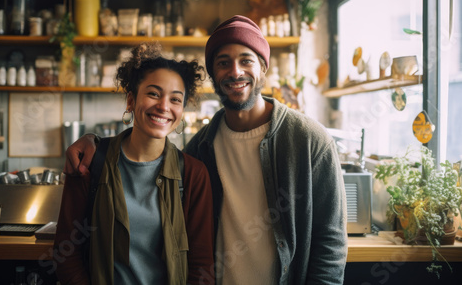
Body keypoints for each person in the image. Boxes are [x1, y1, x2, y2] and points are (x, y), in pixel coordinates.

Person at [64, 16, 348, 284]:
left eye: (246, 60)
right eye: (223, 63)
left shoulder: (309, 140)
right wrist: (94, 141)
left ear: (263, 67)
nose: (235, 71)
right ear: (213, 74)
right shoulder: (201, 148)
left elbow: (331, 242)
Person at [54, 42, 215, 285]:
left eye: (175, 99)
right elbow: (66, 254)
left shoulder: (193, 174)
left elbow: (202, 266)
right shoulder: (90, 161)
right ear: (131, 100)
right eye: (153, 93)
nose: (163, 106)